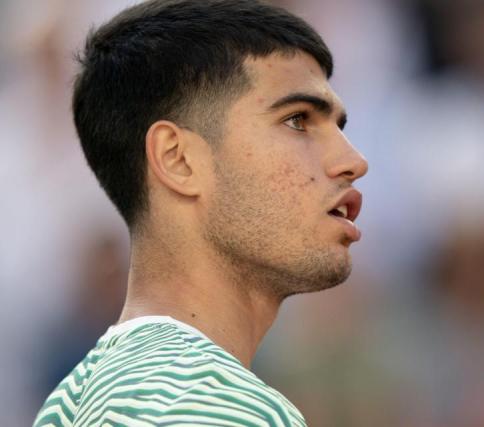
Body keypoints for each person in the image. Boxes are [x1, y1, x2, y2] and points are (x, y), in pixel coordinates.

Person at [33, 0, 368, 425]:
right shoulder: (207, 405)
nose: (353, 160)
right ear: (178, 159)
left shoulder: (71, 403)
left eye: (339, 127)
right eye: (298, 120)